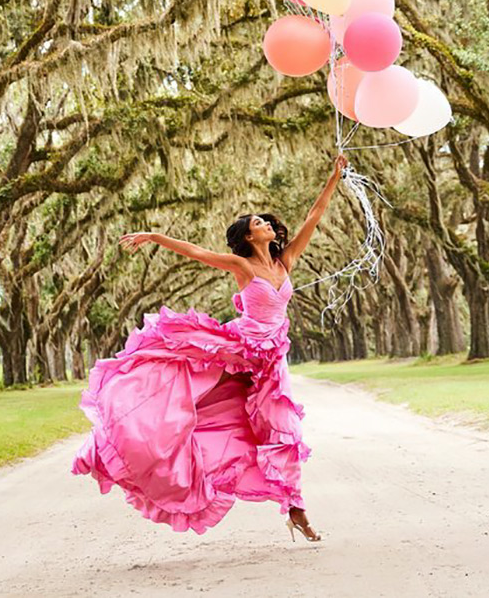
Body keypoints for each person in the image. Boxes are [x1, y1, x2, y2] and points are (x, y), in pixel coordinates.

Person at [71, 154, 349, 541]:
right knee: (185, 389)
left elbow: (314, 217)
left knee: (282, 431)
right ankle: (122, 440)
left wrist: (334, 177)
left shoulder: (285, 262)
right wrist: (154, 237)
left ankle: (296, 509)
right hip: (241, 347)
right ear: (249, 238)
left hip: (270, 361)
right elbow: (196, 252)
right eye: (258, 223)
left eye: (266, 221)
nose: (267, 224)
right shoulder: (243, 266)